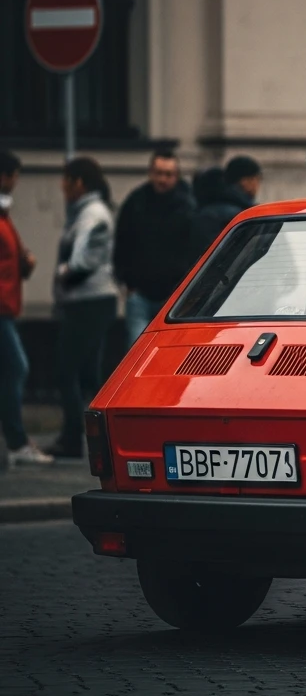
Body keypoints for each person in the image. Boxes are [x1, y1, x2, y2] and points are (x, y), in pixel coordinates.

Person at [45, 157, 118, 459]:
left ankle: (72, 440)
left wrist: (62, 273)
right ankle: (102, 439)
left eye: (66, 180)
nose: (62, 186)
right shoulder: (84, 212)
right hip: (87, 302)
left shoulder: (93, 214)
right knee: (89, 375)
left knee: (67, 371)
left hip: (90, 302)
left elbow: (81, 262)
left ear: (79, 182)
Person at [0, 149, 52, 465]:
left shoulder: (5, 216)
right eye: (16, 177)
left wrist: (25, 261)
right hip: (1, 307)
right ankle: (17, 442)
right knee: (17, 367)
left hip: (7, 305)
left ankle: (17, 440)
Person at [114, 151, 196, 345]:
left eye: (168, 174)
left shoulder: (188, 207)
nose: (163, 179)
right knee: (135, 352)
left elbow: (194, 250)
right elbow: (122, 241)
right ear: (150, 173)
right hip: (140, 294)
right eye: (159, 173)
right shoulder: (136, 202)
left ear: (176, 176)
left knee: (169, 351)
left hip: (174, 297)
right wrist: (126, 281)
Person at [190, 155, 262, 259]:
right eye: (257, 179)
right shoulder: (241, 216)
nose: (257, 185)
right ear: (246, 181)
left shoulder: (208, 207)